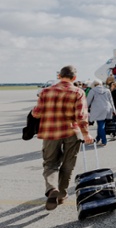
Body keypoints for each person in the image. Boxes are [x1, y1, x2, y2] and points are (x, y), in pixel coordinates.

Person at [32, 65, 94, 211]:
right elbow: (81, 116)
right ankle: (61, 195)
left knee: (50, 163)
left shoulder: (45, 92)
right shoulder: (78, 92)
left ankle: (52, 188)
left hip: (50, 132)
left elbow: (37, 113)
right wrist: (86, 133)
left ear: (59, 76)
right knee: (68, 164)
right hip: (71, 132)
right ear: (74, 78)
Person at [86, 79, 116, 146]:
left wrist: (85, 108)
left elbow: (88, 101)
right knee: (102, 124)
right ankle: (97, 139)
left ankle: (104, 141)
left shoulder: (93, 90)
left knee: (100, 124)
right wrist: (114, 110)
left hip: (98, 109)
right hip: (107, 108)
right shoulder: (107, 90)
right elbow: (111, 101)